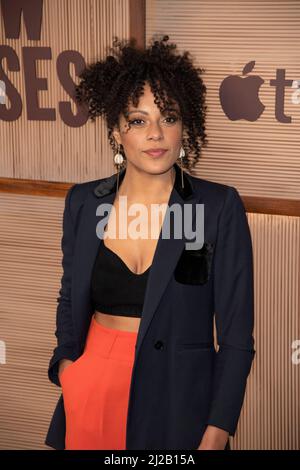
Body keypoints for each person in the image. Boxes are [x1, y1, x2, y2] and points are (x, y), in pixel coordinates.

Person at [45, 35, 255, 451]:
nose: (156, 134)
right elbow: (70, 295)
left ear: (185, 125)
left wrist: (218, 427)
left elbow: (235, 336)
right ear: (116, 130)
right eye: (138, 120)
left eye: (169, 117)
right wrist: (69, 365)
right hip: (93, 391)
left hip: (182, 399)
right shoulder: (85, 203)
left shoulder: (217, 206)